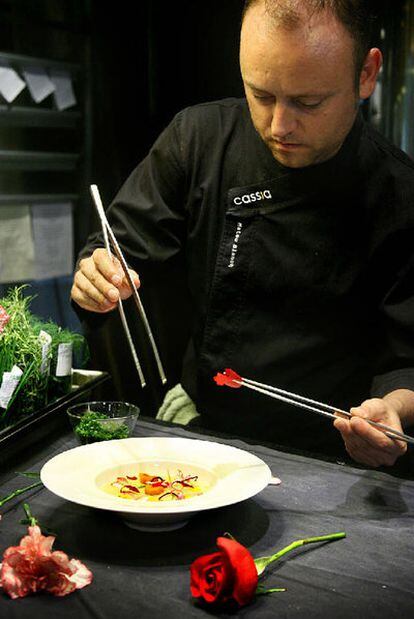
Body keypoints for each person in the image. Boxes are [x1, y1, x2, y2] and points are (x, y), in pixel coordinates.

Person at [71, 0, 414, 469]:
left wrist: (392, 409)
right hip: (200, 431)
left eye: (307, 103)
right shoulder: (198, 140)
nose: (279, 126)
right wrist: (97, 275)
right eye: (261, 94)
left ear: (367, 74)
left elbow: (408, 358)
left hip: (330, 457)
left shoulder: (401, 194)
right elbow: (117, 248)